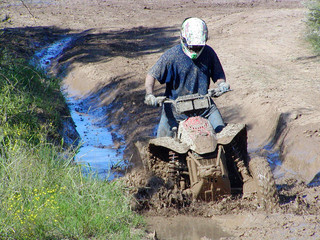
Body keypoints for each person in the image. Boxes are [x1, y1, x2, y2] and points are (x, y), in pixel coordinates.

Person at [144, 17, 230, 138]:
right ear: (182, 39)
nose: (195, 49)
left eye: (198, 47)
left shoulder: (209, 53)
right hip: (175, 109)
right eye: (192, 46)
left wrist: (222, 84)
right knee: (162, 145)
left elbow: (218, 75)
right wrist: (149, 94)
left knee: (223, 135)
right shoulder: (172, 55)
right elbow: (151, 75)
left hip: (205, 108)